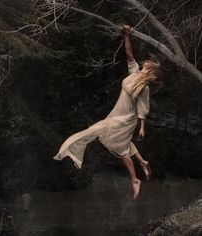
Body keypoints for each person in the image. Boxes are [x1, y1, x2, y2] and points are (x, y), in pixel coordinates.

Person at [53, 25, 163, 200]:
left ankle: (135, 180)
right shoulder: (134, 72)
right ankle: (142, 162)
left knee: (116, 146)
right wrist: (126, 35)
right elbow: (129, 54)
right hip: (118, 113)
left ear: (149, 70)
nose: (146, 62)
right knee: (119, 142)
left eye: (149, 64)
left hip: (127, 119)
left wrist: (142, 127)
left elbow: (143, 108)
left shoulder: (145, 87)